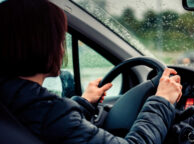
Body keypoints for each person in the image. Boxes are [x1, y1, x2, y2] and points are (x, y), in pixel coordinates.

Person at [0, 0, 182, 143]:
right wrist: (162, 101)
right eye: (59, 41)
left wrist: (83, 103)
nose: (62, 50)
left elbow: (50, 126)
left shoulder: (14, 101)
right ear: (43, 45)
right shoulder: (48, 111)